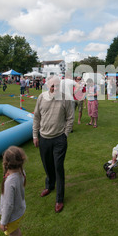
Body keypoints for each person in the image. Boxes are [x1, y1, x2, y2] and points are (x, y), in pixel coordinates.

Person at [33, 76, 74, 213]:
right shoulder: (41, 97)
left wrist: (65, 134)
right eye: (52, 86)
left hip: (59, 139)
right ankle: (49, 185)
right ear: (47, 86)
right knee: (47, 165)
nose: (55, 88)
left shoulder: (65, 99)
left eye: (57, 86)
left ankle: (59, 199)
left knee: (58, 167)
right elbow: (36, 117)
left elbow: (70, 118)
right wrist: (35, 135)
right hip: (44, 138)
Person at [0, 146, 27, 236]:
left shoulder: (10, 181)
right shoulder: (21, 172)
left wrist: (3, 221)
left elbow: (8, 205)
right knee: (16, 232)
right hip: (19, 211)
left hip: (12, 215)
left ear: (5, 163)